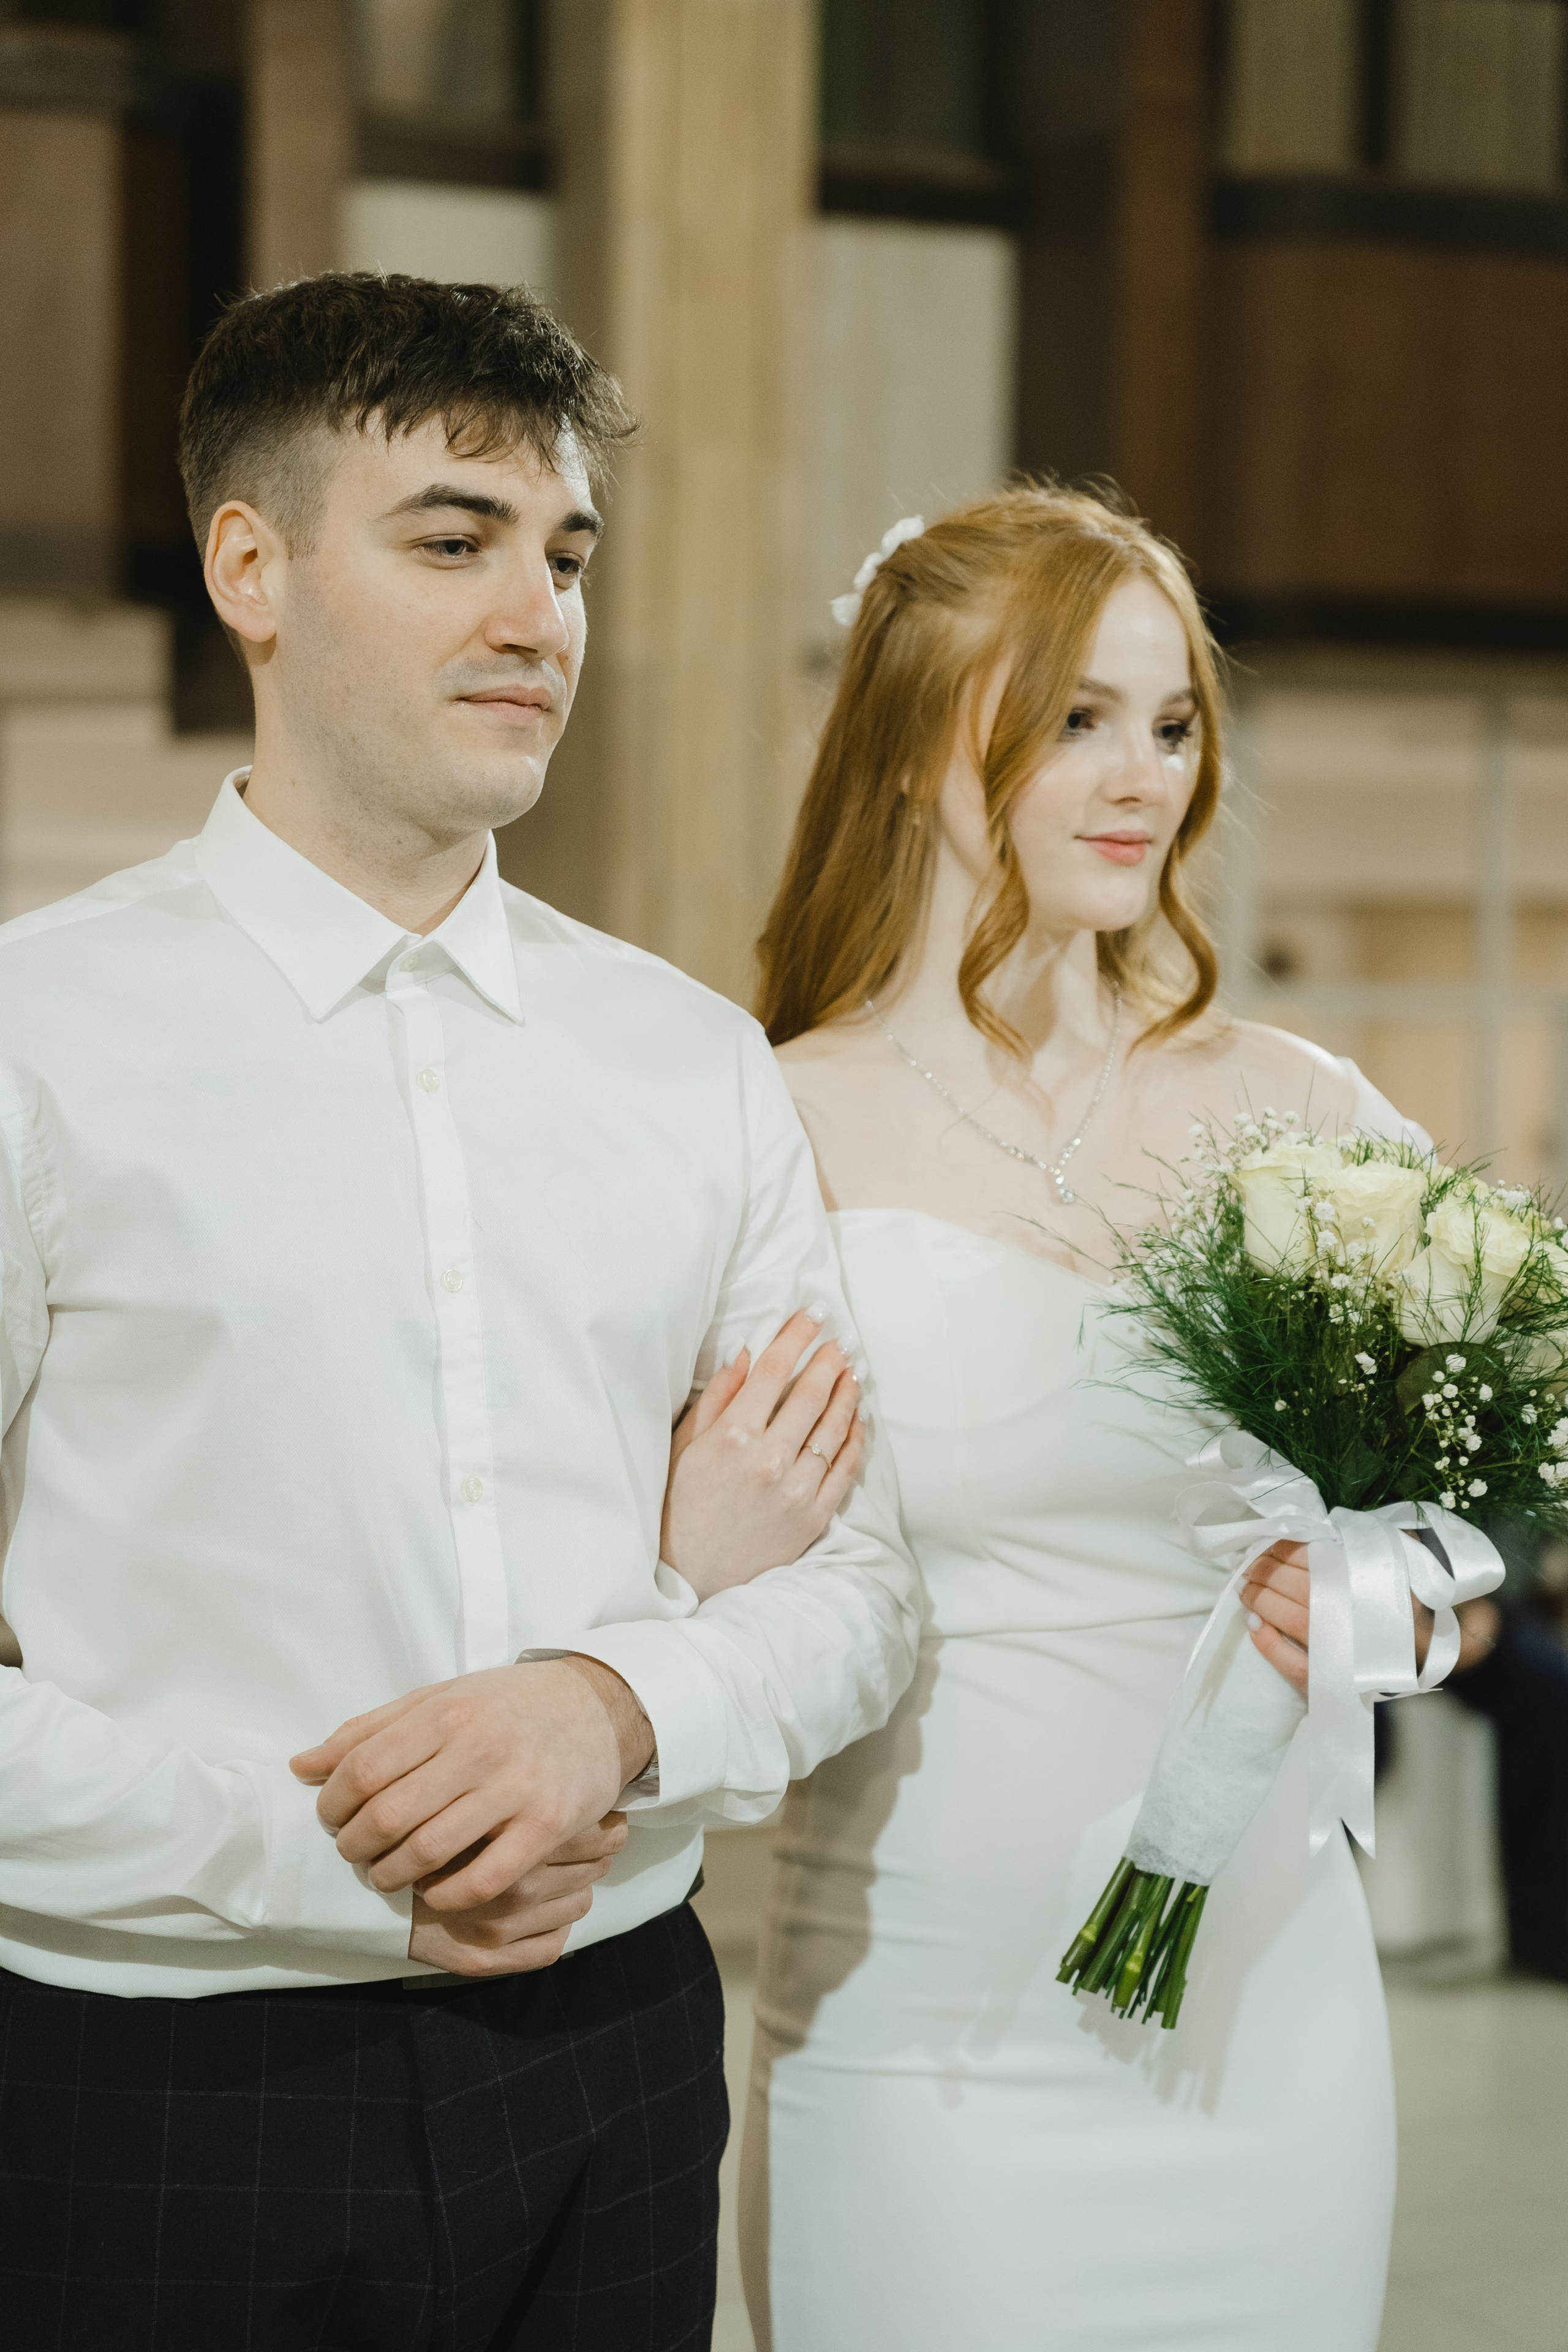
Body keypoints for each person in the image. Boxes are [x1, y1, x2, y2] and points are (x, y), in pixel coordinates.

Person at [0, 271, 921, 2350]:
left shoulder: (691, 1062)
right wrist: (329, 1856)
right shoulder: (31, 1043)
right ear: (252, 565)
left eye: (567, 554)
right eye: (452, 540)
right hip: (165, 2079)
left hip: (615, 2064)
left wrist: (605, 1702)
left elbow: (859, 1590)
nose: (541, 618)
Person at [722, 488, 1423, 2350]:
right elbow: (699, 1586)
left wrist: (1382, 1609)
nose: (1143, 779)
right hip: (920, 2037)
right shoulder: (763, 1125)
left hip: (1274, 2036)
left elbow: (1459, 1548)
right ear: (909, 747)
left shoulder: (1310, 1112)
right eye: (1072, 721)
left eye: (1173, 721)